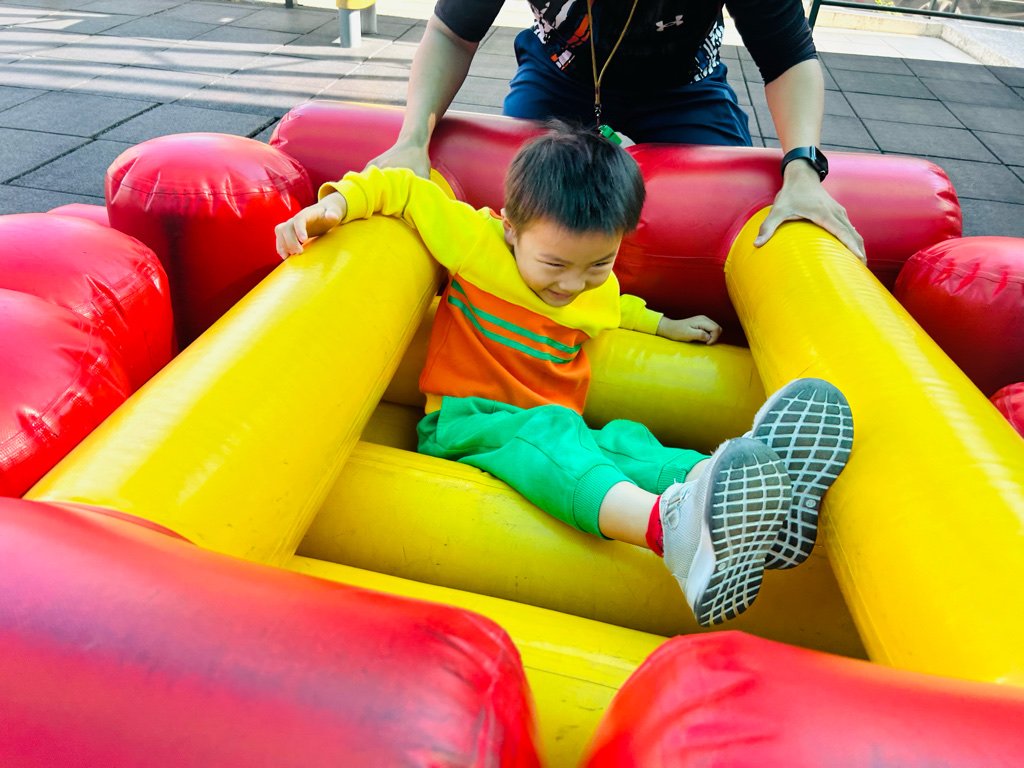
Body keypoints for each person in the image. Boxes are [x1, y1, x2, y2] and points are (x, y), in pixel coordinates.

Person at [275, 123, 854, 627]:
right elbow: (402, 189)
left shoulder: (595, 290)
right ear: (511, 229)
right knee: (552, 431)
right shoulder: (476, 242)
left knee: (625, 440)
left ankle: (753, 496)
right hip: (467, 424)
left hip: (557, 428)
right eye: (553, 263)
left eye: (599, 263)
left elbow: (617, 306)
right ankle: (667, 530)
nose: (572, 285)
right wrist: (336, 206)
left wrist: (665, 325)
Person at [367, 0, 866, 261]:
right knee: (520, 205)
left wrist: (803, 170)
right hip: (561, 75)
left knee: (721, 216)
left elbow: (788, 58)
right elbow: (451, 34)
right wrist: (412, 140)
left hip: (683, 87)